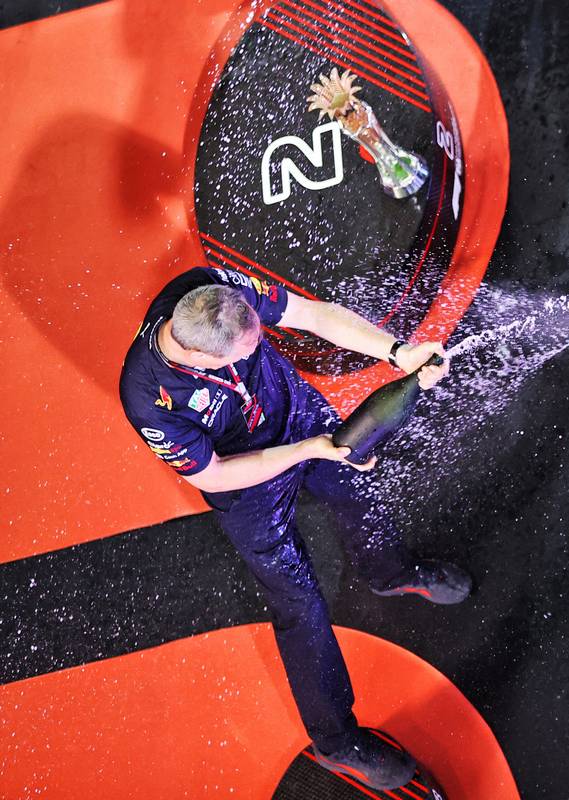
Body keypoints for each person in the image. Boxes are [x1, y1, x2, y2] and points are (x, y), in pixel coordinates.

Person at [119, 266, 471, 789]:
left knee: (357, 489)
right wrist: (307, 451)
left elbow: (313, 314)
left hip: (297, 412)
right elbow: (214, 471)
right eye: (242, 356)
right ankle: (335, 741)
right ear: (201, 360)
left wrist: (398, 352)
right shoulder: (147, 397)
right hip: (248, 483)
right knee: (298, 601)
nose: (253, 353)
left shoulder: (213, 290)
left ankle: (390, 571)